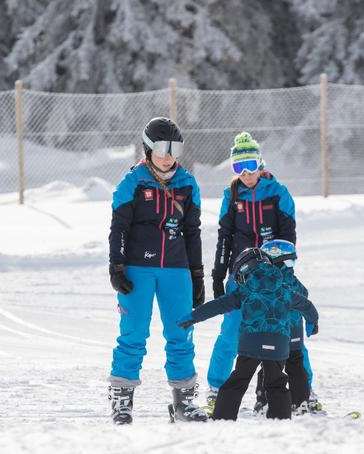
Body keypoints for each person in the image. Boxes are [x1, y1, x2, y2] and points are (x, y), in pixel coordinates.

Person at [107, 117, 208, 425]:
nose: (168, 155)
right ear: (148, 148)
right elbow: (119, 228)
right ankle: (122, 401)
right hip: (138, 268)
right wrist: (117, 265)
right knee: (133, 333)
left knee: (181, 333)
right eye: (162, 148)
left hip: (176, 270)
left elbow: (193, 232)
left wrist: (198, 274)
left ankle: (183, 403)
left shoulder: (187, 184)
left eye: (174, 148)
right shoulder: (133, 182)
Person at [206, 131, 299, 408]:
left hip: (273, 278)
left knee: (285, 330)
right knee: (232, 330)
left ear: (261, 163)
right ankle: (216, 387)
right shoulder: (232, 196)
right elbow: (224, 238)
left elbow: (289, 239)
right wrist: (218, 274)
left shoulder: (278, 194)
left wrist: (284, 272)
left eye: (250, 166)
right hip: (242, 277)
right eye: (238, 168)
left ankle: (297, 391)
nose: (246, 173)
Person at [178, 248, 319, 421]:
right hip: (279, 344)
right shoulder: (284, 290)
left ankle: (223, 419)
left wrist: (193, 317)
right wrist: (313, 322)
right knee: (277, 384)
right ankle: (280, 421)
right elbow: (307, 306)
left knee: (237, 381)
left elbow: (218, 305)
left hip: (252, 341)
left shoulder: (246, 290)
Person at [253, 239, 321, 415]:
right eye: (290, 261)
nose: (292, 265)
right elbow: (304, 295)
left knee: (271, 367)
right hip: (293, 333)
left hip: (275, 334)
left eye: (293, 261)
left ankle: (264, 401)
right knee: (296, 367)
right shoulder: (293, 281)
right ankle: (300, 402)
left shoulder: (266, 279)